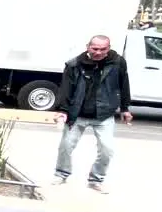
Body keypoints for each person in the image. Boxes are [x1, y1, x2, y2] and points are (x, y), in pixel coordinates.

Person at [52, 35, 132, 194]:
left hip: (104, 114)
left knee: (107, 149)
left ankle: (96, 179)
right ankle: (61, 174)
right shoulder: (74, 64)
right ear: (88, 46)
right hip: (77, 113)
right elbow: (66, 89)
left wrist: (125, 108)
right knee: (66, 146)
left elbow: (124, 84)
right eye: (95, 48)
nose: (98, 52)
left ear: (108, 48)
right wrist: (62, 110)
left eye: (103, 49)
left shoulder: (118, 62)